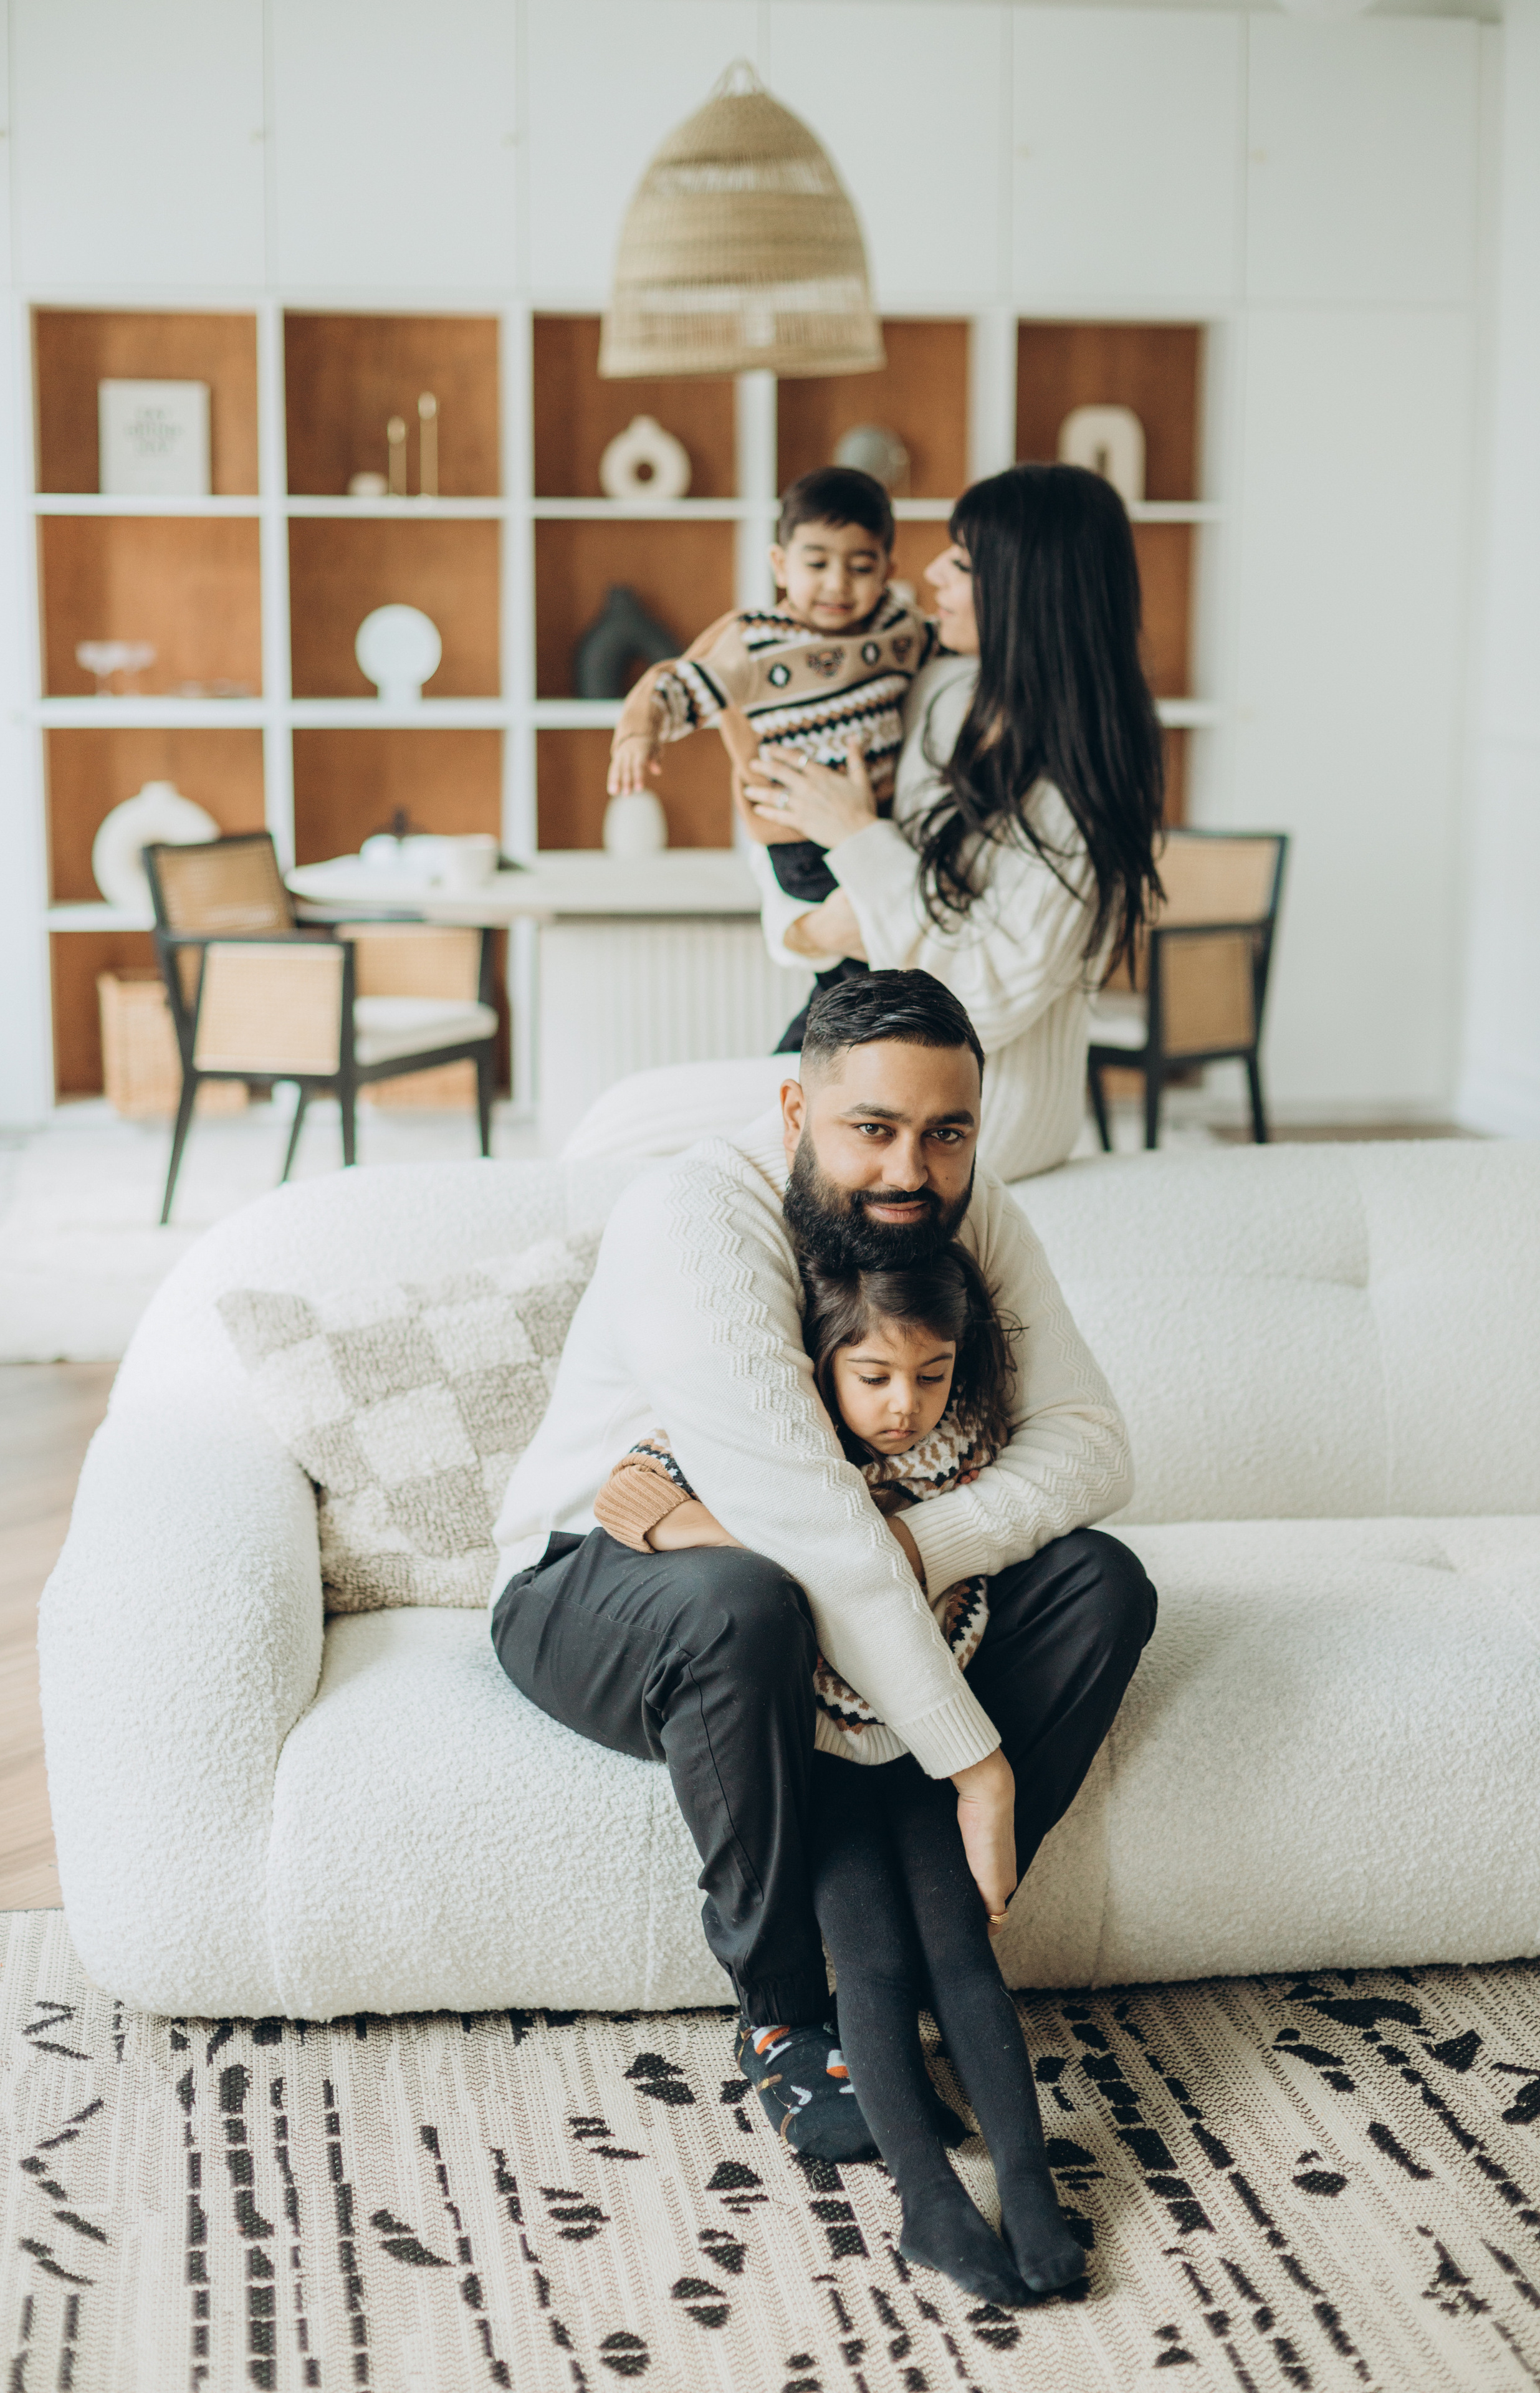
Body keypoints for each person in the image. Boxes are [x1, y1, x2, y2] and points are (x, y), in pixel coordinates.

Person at [489, 970, 1155, 2169]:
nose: (912, 1170)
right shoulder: (695, 1215)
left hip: (853, 1569)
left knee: (1101, 1583)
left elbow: (1094, 1445)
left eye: (946, 1133)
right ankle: (790, 2016)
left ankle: (922, 1915)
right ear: (798, 1115)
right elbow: (799, 1528)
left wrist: (922, 1543)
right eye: (874, 1130)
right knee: (745, 1601)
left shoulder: (968, 1209)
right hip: (602, 1575)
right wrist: (980, 1764)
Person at [594, 1243, 1084, 2303]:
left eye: (931, 1375)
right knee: (868, 1962)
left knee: (959, 1955)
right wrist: (796, 1553)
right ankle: (928, 2201)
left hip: (923, 1739)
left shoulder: (965, 1453)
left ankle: (1034, 2187)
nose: (902, 1406)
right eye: (874, 1377)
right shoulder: (771, 1446)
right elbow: (626, 1498)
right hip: (817, 1756)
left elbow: (1037, 1504)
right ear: (823, 1365)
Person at [743, 463, 1165, 1180]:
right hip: (873, 1053)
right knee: (631, 1121)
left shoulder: (1081, 783)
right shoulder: (939, 690)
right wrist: (809, 930)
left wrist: (859, 843)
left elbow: (987, 997)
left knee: (650, 1144)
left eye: (963, 561)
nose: (932, 572)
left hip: (986, 1107)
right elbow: (796, 827)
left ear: (1027, 590)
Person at [606, 466, 936, 1003]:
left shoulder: (899, 629)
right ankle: (812, 1061)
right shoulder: (756, 642)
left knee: (869, 978)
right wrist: (639, 734)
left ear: (887, 570)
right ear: (780, 565)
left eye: (859, 567)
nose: (837, 583)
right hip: (800, 838)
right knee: (862, 981)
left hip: (875, 827)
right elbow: (681, 684)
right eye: (817, 563)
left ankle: (811, 1056)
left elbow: (959, 651)